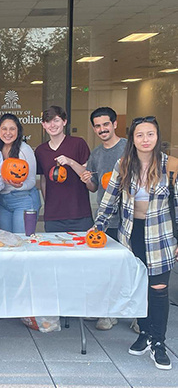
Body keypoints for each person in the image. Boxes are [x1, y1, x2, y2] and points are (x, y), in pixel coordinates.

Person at [94, 116, 177, 370]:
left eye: (150, 134)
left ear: (157, 137)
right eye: (139, 135)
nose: (145, 140)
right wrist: (99, 226)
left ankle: (159, 341)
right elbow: (110, 199)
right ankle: (145, 333)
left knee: (159, 288)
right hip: (132, 234)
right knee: (140, 285)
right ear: (133, 139)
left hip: (161, 235)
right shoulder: (124, 164)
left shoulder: (171, 166)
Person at [80, 107, 127, 331]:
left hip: (129, 218)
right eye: (97, 126)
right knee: (106, 268)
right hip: (106, 219)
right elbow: (93, 187)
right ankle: (108, 313)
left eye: (105, 124)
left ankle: (136, 315)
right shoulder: (96, 154)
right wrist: (87, 179)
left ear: (115, 124)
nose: (102, 129)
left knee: (129, 266)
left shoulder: (129, 148)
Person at [35, 105, 93, 233]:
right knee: (55, 251)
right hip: (53, 216)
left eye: (56, 120)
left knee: (84, 251)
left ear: (64, 122)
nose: (52, 125)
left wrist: (71, 162)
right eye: (48, 121)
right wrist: (49, 203)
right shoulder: (40, 151)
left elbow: (87, 175)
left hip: (79, 213)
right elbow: (44, 179)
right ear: (43, 125)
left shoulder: (78, 143)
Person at [0, 113, 41, 233]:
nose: (8, 133)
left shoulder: (24, 150)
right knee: (6, 241)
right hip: (3, 201)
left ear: (18, 131)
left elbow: (32, 181)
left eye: (12, 129)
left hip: (23, 199)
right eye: (4, 129)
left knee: (21, 241)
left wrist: (21, 185)